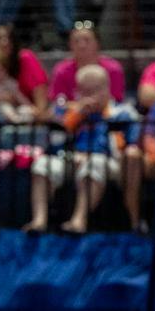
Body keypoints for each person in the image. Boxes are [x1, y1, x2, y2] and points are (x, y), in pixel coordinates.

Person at [30, 64, 140, 234]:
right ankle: (39, 221)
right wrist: (76, 116)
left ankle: (78, 221)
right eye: (85, 90)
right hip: (70, 158)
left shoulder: (122, 113)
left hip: (107, 161)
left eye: (96, 89)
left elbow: (130, 145)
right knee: (43, 165)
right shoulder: (69, 111)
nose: (90, 95)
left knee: (94, 163)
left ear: (107, 88)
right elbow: (54, 141)